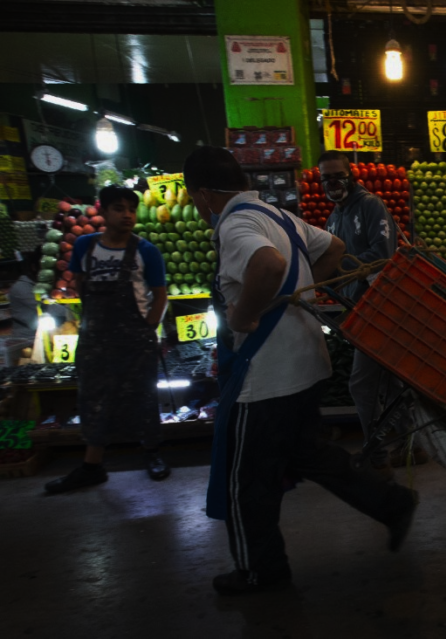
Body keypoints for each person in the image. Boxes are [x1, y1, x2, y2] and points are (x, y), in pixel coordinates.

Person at [184, 147, 417, 595]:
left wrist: (245, 317)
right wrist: (301, 290)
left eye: (196, 198)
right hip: (308, 362)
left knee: (247, 477)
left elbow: (268, 265)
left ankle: (260, 569)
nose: (198, 207)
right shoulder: (278, 216)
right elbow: (334, 247)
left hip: (268, 375)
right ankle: (392, 504)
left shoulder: (236, 223)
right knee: (309, 454)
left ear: (206, 194)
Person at [44, 186, 170, 493]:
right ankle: (92, 466)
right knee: (94, 400)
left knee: (143, 397)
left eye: (131, 209)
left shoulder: (146, 251)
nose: (126, 214)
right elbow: (79, 283)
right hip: (95, 341)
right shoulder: (86, 246)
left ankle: (152, 453)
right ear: (103, 211)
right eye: (119, 208)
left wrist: (147, 328)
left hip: (135, 340)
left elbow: (160, 296)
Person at [318, 150, 427, 470]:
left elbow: (383, 253)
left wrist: (341, 270)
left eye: (338, 175)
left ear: (351, 175)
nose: (332, 182)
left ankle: (374, 453)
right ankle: (410, 445)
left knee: (361, 384)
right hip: (359, 309)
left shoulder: (369, 205)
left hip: (381, 307)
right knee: (388, 382)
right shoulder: (333, 217)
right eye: (326, 177)